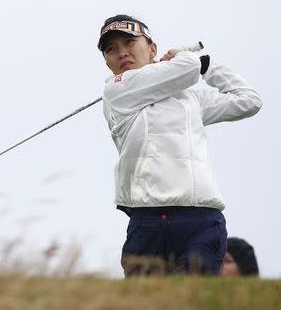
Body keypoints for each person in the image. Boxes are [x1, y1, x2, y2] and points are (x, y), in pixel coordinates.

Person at [98, 15, 262, 276]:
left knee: (194, 300)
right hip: (147, 220)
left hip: (200, 218)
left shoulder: (189, 98)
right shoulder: (116, 91)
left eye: (129, 42)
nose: (122, 53)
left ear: (152, 49)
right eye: (111, 49)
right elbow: (185, 70)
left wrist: (210, 66)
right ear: (106, 61)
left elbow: (249, 100)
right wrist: (192, 59)